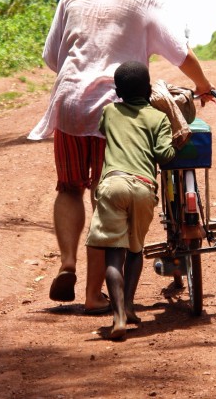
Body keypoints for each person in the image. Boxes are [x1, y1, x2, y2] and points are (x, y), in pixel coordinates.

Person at [28, 0, 215, 313]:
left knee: (68, 187)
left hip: (69, 105)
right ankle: (94, 296)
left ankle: (67, 264)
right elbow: (181, 52)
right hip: (117, 111)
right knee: (106, 196)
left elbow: (53, 57)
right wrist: (204, 86)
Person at [85, 61, 176, 339]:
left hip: (113, 185)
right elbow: (164, 155)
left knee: (114, 253)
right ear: (149, 90)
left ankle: (119, 317)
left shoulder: (110, 111)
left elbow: (103, 129)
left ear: (118, 91)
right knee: (135, 251)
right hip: (143, 188)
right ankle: (130, 305)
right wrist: (173, 146)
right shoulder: (158, 118)